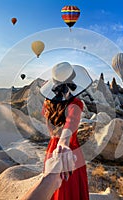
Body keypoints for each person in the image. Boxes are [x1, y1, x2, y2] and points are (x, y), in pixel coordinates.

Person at [39, 62, 92, 200]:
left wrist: (58, 141)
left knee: (54, 188)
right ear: (73, 81)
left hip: (52, 149)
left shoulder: (48, 103)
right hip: (70, 151)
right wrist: (63, 143)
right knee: (70, 189)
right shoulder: (76, 104)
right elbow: (70, 124)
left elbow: (51, 129)